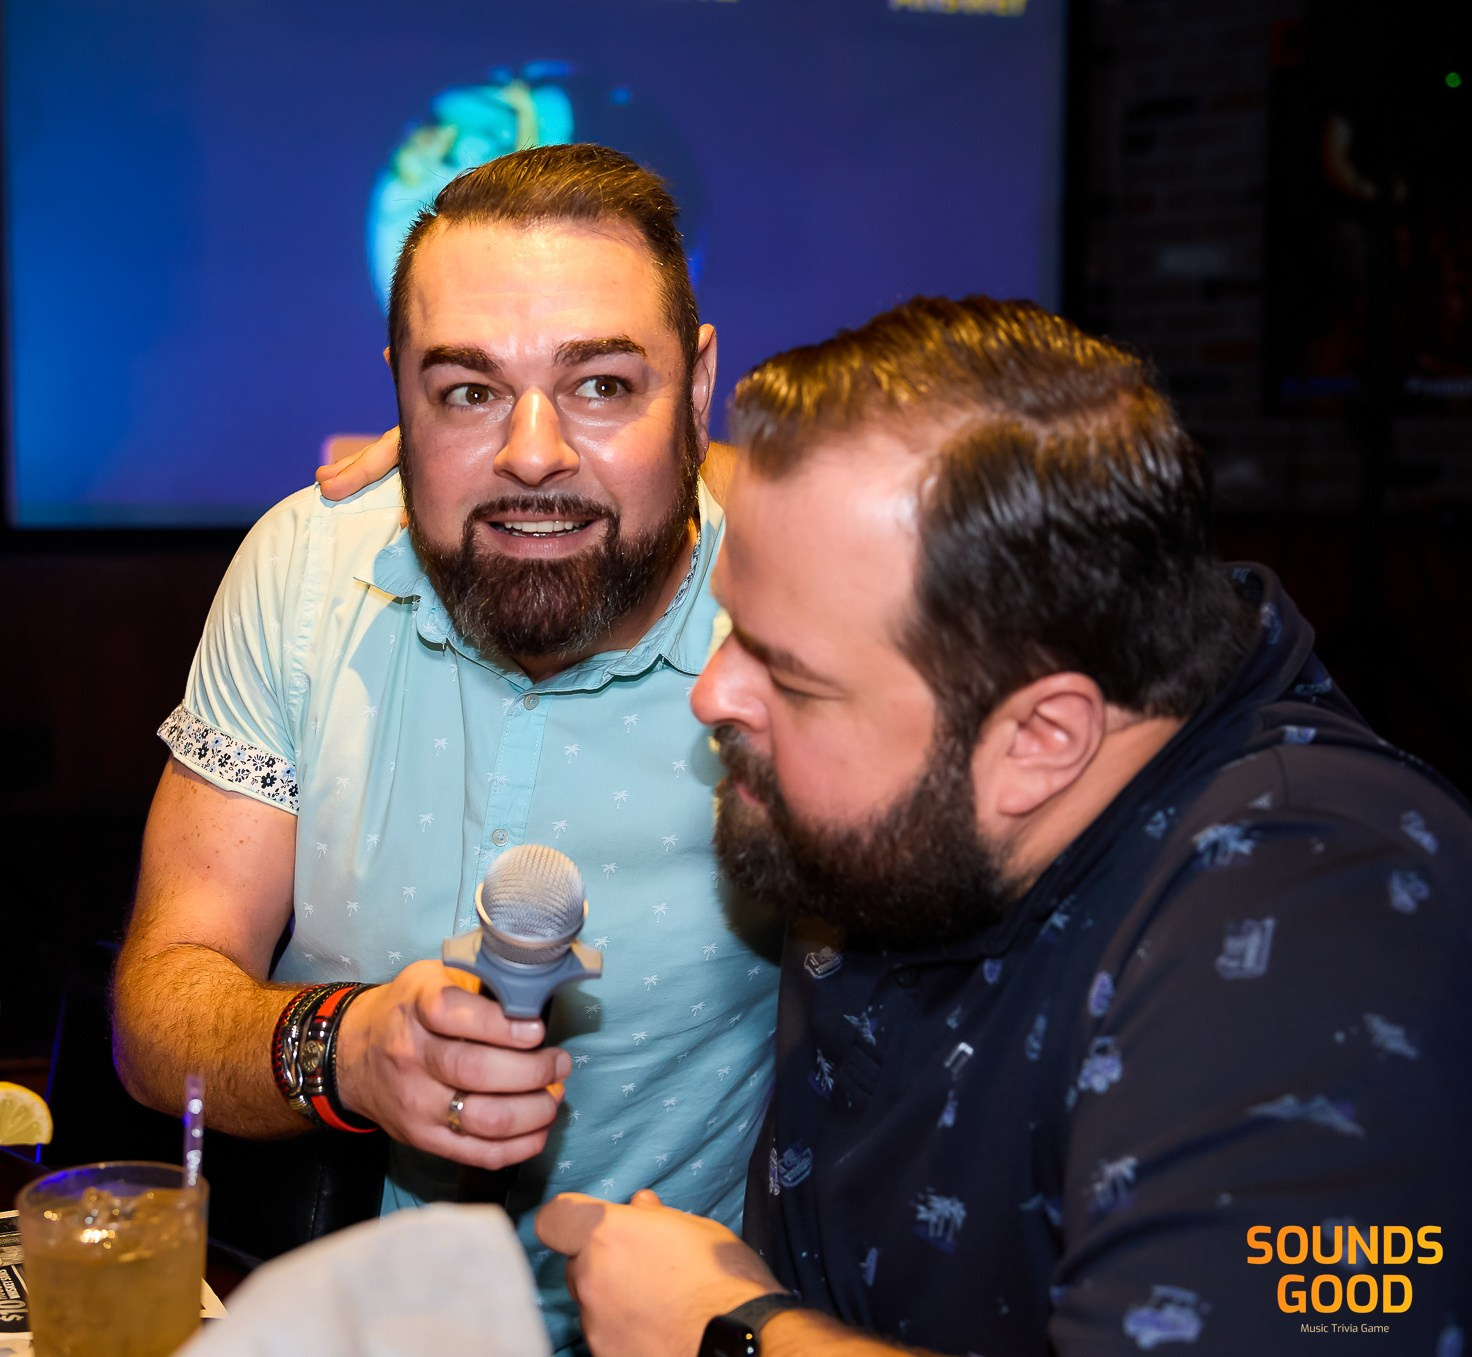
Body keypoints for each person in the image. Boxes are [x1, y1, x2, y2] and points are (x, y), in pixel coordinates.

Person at [534, 295, 1472, 1355]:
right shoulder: (946, 757)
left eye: (789, 676)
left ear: (1040, 738)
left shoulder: (1319, 930)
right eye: (731, 629)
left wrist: (724, 1331)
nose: (713, 694)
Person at [112, 143, 779, 1352]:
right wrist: (347, 1050)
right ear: (400, 398)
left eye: (601, 384)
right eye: (468, 391)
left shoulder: (794, 625)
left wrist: (771, 475)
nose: (531, 452)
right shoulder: (305, 570)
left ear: (695, 388)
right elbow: (159, 1014)